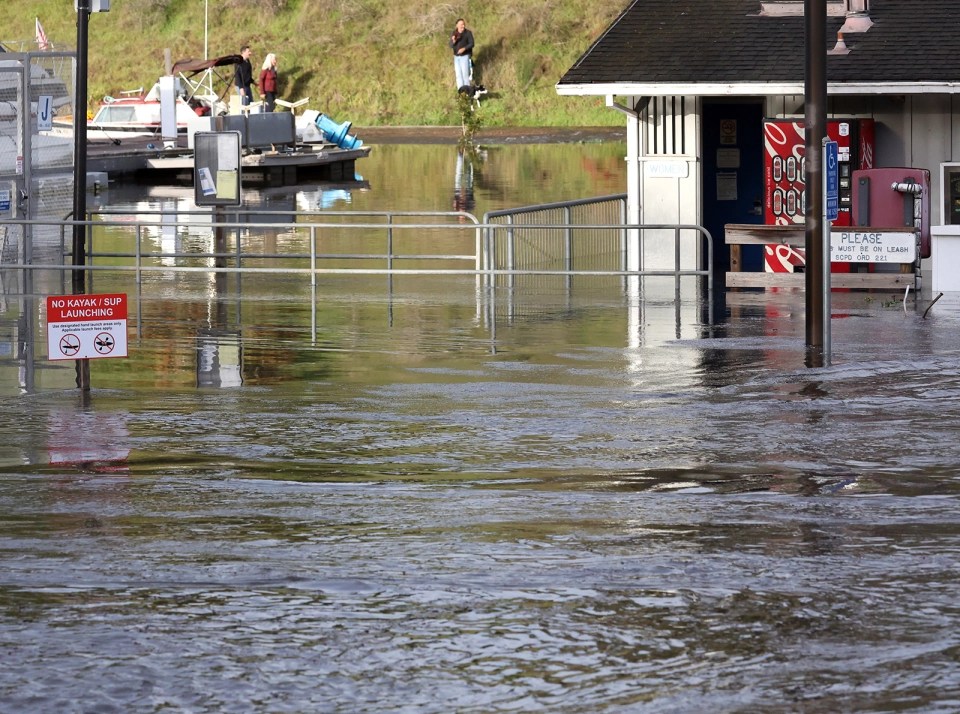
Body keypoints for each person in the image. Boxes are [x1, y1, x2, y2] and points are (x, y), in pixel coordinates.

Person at [449, 18, 474, 91]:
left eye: (463, 24)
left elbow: (472, 44)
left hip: (465, 56)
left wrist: (464, 48)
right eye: (461, 25)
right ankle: (461, 92)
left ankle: (468, 92)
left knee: (465, 75)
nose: (462, 26)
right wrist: (453, 41)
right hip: (456, 57)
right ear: (457, 25)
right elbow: (450, 45)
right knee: (458, 75)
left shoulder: (468, 33)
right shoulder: (454, 33)